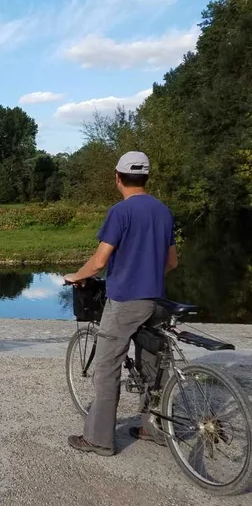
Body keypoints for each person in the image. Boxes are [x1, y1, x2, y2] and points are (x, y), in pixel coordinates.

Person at [64, 151, 179, 456]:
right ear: (147, 178)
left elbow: (100, 261)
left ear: (118, 178)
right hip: (157, 301)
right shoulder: (163, 211)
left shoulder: (121, 212)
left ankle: (99, 439)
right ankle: (153, 427)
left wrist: (76, 275)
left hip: (126, 301)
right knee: (152, 365)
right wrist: (147, 272)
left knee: (106, 367)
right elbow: (172, 261)